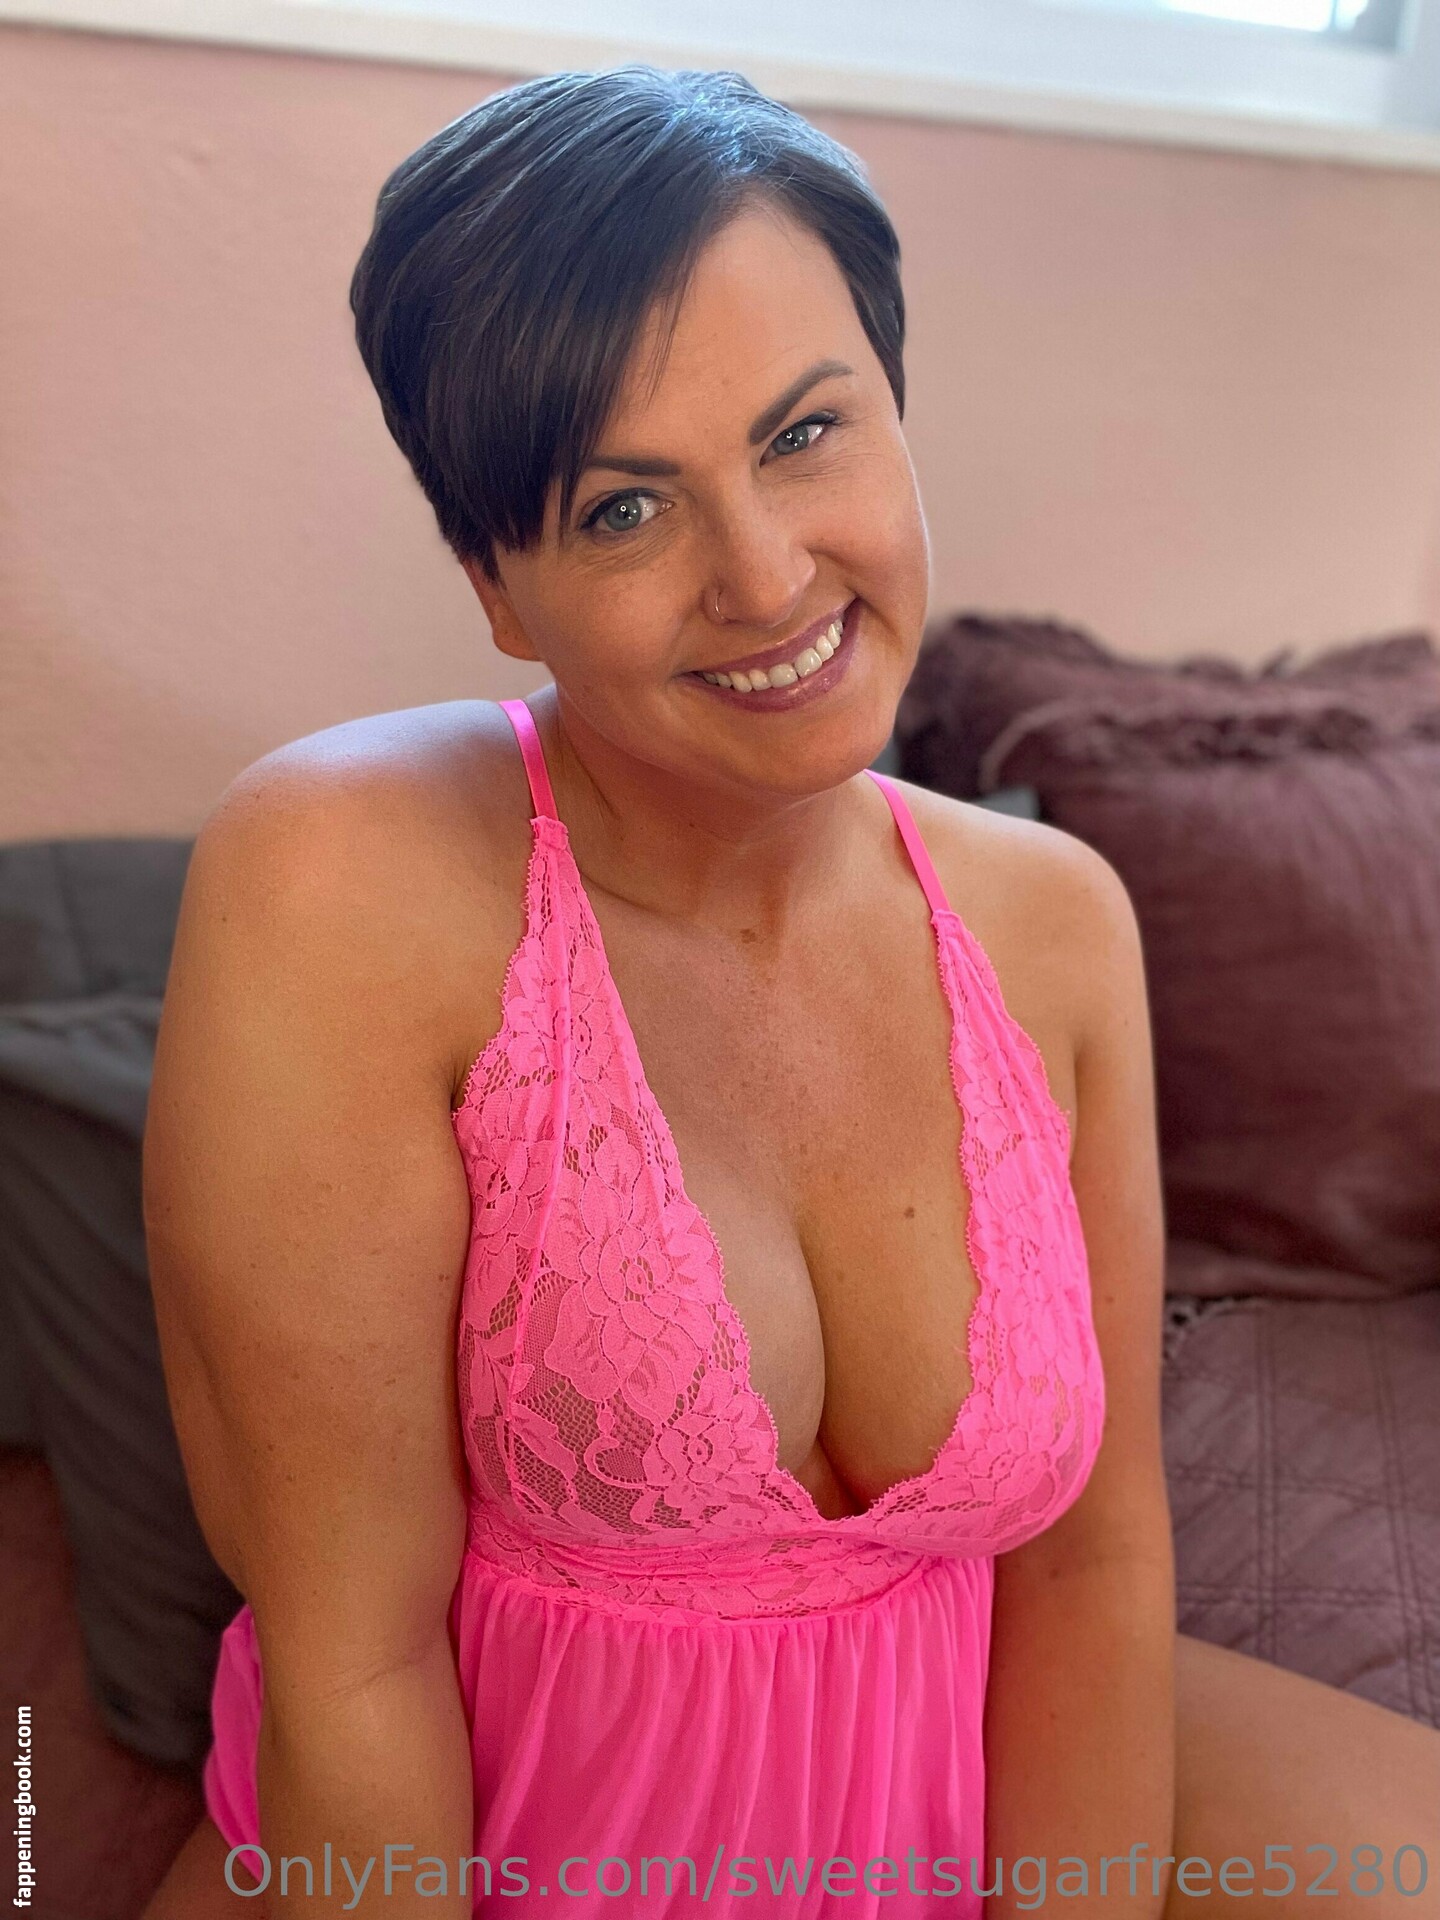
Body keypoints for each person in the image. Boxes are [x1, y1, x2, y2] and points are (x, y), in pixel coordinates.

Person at [140, 65, 1438, 1920]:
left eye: (808, 432)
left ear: (898, 416)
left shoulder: (1059, 921)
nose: (763, 577)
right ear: (496, 583)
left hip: (938, 1765)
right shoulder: (339, 876)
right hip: (500, 1834)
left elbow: (1087, 1564)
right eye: (623, 510)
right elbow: (356, 1662)